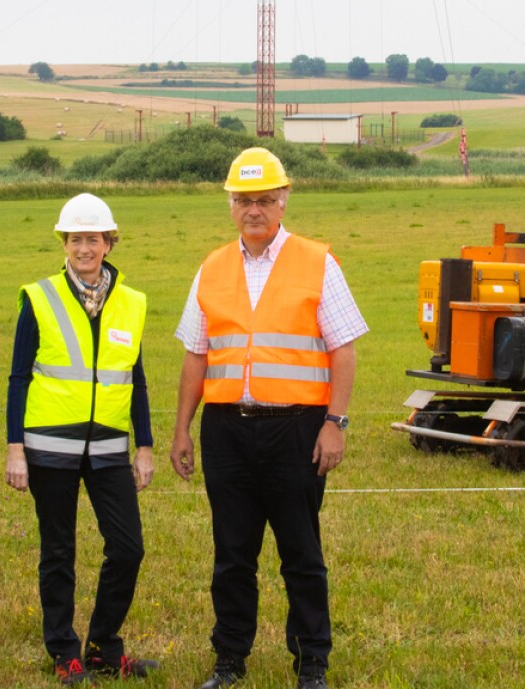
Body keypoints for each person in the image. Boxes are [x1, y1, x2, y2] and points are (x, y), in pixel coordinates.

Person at [169, 148, 368, 689]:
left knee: (301, 553)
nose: (253, 209)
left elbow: (343, 348)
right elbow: (196, 354)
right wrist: (182, 429)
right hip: (227, 429)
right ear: (230, 205)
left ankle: (312, 665)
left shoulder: (317, 261)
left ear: (283, 200)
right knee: (232, 554)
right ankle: (230, 659)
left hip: (298, 429)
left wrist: (336, 423)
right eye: (243, 200)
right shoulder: (211, 267)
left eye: (263, 199)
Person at [5, 193, 159, 685]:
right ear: (64, 243)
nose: (84, 248)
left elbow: (136, 378)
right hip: (49, 446)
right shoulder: (39, 296)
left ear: (109, 243)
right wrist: (14, 448)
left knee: (128, 548)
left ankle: (102, 648)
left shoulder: (132, 303)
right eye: (75, 239)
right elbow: (17, 378)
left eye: (93, 239)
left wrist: (145, 445)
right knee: (58, 551)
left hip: (110, 448)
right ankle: (63, 652)